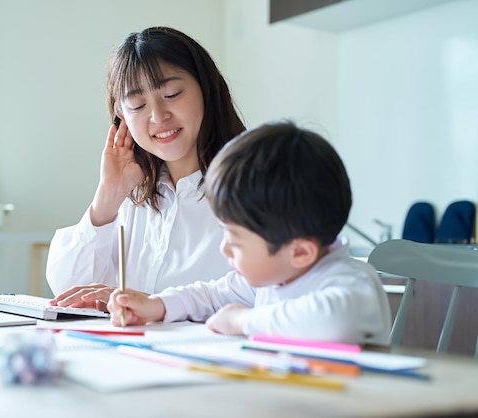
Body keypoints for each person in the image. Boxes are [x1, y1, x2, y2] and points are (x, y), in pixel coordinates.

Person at [107, 120, 392, 344]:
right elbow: (211, 295)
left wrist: (245, 320)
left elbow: (333, 323)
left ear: (300, 252)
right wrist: (156, 305)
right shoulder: (273, 277)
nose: (225, 249)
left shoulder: (353, 284)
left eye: (237, 243)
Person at [46, 26, 246, 311]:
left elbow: (261, 292)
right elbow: (68, 291)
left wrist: (156, 306)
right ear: (121, 115)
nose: (158, 116)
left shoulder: (252, 187)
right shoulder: (133, 197)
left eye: (172, 94)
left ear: (205, 88)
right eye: (138, 105)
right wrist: (107, 199)